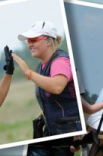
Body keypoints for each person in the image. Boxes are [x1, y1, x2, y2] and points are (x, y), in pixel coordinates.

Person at [12, 21, 80, 156]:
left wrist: (28, 73)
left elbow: (57, 87)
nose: (29, 44)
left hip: (65, 134)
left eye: (33, 40)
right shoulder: (42, 66)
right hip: (54, 132)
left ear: (48, 40)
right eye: (28, 41)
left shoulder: (60, 62)